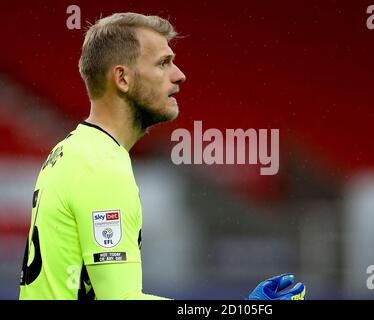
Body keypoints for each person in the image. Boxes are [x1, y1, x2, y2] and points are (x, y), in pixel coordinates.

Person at [19, 12, 306, 300]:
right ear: (122, 78)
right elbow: (120, 299)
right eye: (163, 63)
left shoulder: (70, 150)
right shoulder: (101, 165)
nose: (179, 75)